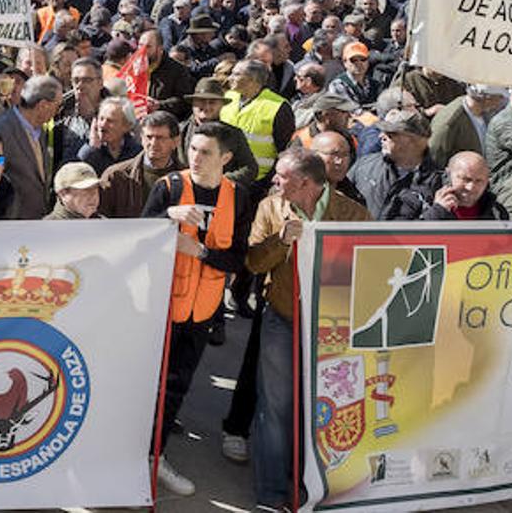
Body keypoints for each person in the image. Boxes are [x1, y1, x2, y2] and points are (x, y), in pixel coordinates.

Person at [245, 148, 370, 509]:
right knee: (275, 407)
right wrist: (280, 242)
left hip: (333, 327)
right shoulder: (270, 208)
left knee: (326, 409)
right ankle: (271, 495)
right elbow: (253, 262)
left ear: (303, 183)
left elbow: (370, 262)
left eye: (281, 177)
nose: (274, 182)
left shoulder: (353, 214)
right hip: (282, 317)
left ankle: (310, 488)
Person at [143, 121, 255, 497]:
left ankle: (154, 459)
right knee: (147, 386)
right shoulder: (170, 187)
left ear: (225, 158)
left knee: (178, 386)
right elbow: (137, 236)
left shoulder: (238, 196)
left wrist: (204, 253)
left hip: (202, 313)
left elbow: (239, 258)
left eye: (206, 152)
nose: (195, 157)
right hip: (160, 308)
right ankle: (137, 456)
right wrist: (168, 218)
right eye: (193, 149)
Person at [0, 75, 63, 220]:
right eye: (58, 106)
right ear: (43, 105)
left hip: (36, 220)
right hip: (13, 223)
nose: (58, 111)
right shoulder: (2, 131)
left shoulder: (40, 129)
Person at [350, 109, 442, 220]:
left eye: (390, 134)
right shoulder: (364, 165)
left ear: (412, 139)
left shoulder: (439, 181)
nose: (381, 136)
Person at [221, 59, 294, 184]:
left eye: (237, 74)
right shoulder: (228, 97)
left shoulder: (278, 106)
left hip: (258, 181)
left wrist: (268, 181)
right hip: (224, 177)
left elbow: (285, 150)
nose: (230, 78)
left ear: (253, 79)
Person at [97, 111, 182, 219]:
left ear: (176, 141)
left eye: (160, 138)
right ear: (141, 138)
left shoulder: (186, 178)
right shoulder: (117, 175)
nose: (153, 143)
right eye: (149, 137)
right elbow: (101, 218)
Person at [179, 79, 258, 187]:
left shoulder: (234, 134)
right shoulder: (179, 130)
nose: (206, 107)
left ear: (221, 105)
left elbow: (250, 169)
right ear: (193, 102)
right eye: (201, 101)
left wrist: (219, 181)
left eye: (212, 102)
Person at [429, 84, 506, 168]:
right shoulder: (449, 123)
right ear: (488, 99)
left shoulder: (485, 112)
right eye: (500, 98)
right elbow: (435, 160)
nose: (500, 102)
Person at [424, 151, 505, 221]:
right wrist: (437, 212)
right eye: (466, 179)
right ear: (448, 175)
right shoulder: (422, 200)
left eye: (479, 181)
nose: (470, 187)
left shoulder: (496, 212)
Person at [78, 96, 141, 173]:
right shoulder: (83, 145)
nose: (103, 125)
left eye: (110, 121)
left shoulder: (136, 153)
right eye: (101, 119)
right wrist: (92, 148)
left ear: (126, 126)